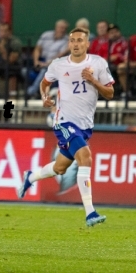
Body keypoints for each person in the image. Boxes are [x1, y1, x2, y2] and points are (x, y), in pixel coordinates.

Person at [18, 27, 113, 227]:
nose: (76, 44)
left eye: (80, 40)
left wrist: (93, 80)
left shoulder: (98, 63)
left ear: (87, 44)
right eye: (72, 40)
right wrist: (44, 98)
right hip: (63, 122)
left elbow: (110, 93)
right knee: (85, 156)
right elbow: (44, 84)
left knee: (60, 168)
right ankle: (90, 213)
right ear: (68, 44)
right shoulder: (59, 65)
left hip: (85, 125)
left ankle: (31, 176)